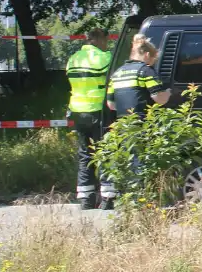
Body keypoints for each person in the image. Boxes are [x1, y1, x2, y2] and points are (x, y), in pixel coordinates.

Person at [103, 34, 171, 209]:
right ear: (147, 55)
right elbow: (159, 98)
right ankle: (140, 200)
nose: (153, 62)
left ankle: (125, 198)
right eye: (154, 58)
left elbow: (110, 104)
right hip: (141, 122)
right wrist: (168, 93)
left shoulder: (117, 73)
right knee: (140, 161)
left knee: (126, 159)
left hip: (122, 124)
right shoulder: (145, 71)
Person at [66, 28, 113, 210]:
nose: (106, 45)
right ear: (99, 39)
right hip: (97, 110)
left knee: (85, 154)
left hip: (78, 110)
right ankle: (108, 197)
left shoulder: (73, 59)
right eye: (106, 41)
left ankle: (86, 198)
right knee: (104, 152)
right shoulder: (104, 58)